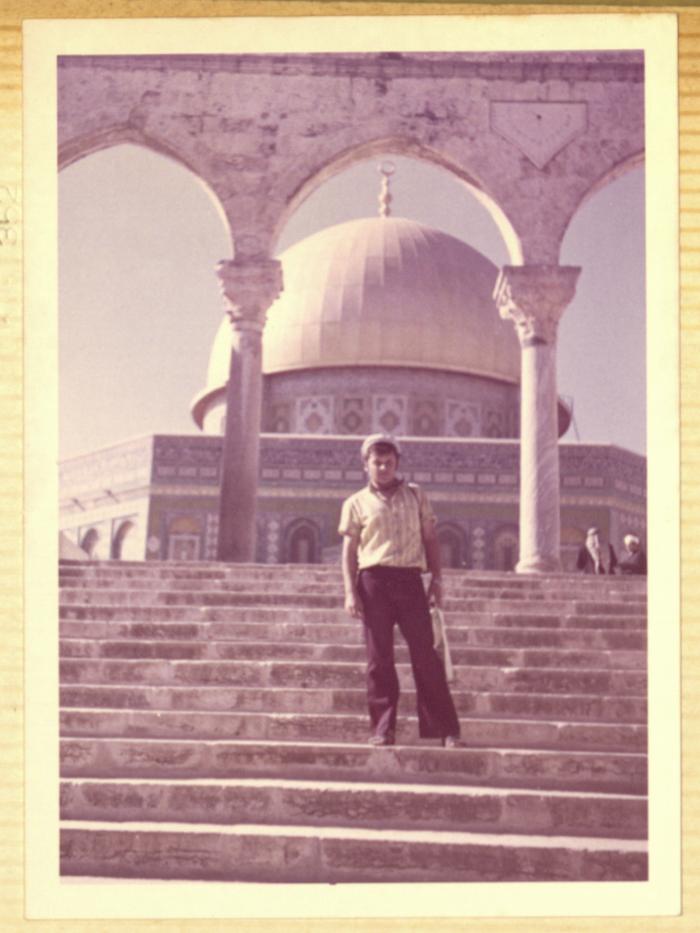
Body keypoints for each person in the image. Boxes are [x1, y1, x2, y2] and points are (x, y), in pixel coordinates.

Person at [338, 433, 464, 748]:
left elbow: (431, 539)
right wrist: (350, 592)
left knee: (425, 656)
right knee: (379, 660)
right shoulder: (355, 503)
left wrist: (437, 580)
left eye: (388, 463)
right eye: (377, 463)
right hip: (373, 583)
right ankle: (383, 729)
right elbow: (349, 551)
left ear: (397, 464)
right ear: (366, 465)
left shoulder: (416, 496)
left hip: (409, 581)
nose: (383, 468)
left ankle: (446, 730)